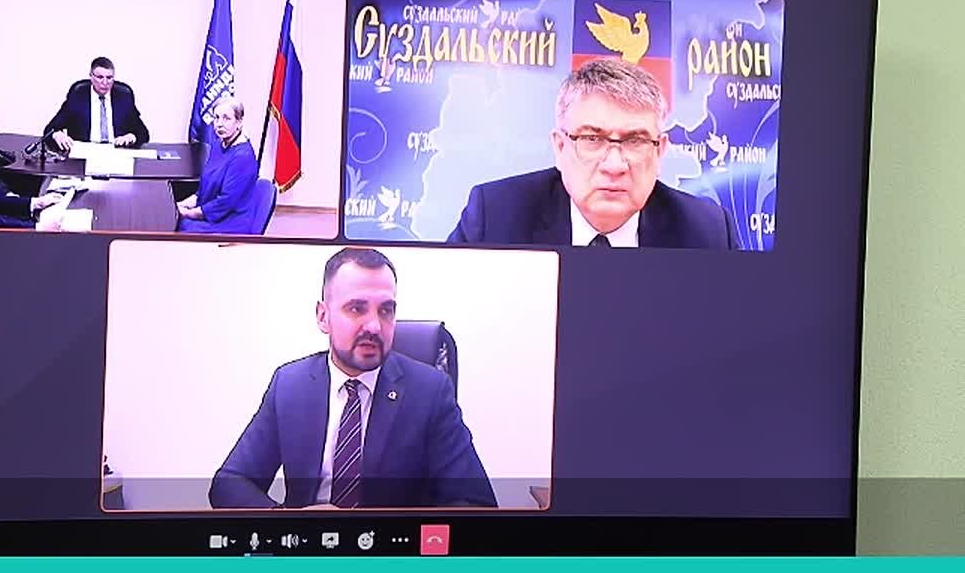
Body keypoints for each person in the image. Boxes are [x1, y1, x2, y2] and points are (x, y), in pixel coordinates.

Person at [209, 248, 497, 509]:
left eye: (386, 310)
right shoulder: (290, 385)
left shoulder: (430, 392)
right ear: (323, 317)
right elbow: (230, 483)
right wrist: (287, 521)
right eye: (357, 309)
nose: (374, 326)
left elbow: (475, 504)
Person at [447, 58, 742, 249]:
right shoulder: (495, 218)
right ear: (560, 147)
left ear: (660, 152)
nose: (614, 165)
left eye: (635, 140)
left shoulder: (708, 233)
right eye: (592, 139)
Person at [176, 97, 261, 234]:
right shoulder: (217, 144)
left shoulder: (242, 157)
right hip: (211, 213)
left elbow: (225, 203)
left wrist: (188, 213)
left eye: (226, 118)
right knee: (172, 219)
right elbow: (203, 192)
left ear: (239, 122)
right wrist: (180, 205)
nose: (219, 124)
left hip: (231, 222)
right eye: (216, 118)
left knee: (180, 227)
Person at [43, 57, 150, 151]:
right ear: (91, 76)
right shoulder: (77, 96)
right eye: (100, 77)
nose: (105, 82)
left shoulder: (123, 97)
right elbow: (50, 130)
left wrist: (132, 137)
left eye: (109, 78)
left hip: (117, 153)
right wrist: (56, 135)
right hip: (84, 155)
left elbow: (143, 133)